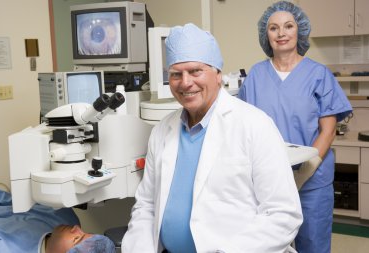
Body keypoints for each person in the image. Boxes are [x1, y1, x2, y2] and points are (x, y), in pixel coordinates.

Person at [122, 23, 303, 253]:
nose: (186, 82)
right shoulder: (162, 130)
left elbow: (283, 214)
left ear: (218, 74)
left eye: (195, 71)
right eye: (176, 74)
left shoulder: (254, 125)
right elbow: (147, 205)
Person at [237, 1, 352, 252]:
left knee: (313, 245)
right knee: (269, 247)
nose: (281, 33)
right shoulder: (255, 76)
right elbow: (242, 128)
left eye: (288, 26)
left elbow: (328, 130)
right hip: (266, 182)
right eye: (274, 28)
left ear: (298, 30)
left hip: (311, 182)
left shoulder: (318, 74)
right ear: (265, 35)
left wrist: (304, 172)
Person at [0, 149, 115, 253]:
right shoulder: (65, 216)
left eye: (76, 239)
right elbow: (4, 199)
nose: (76, 228)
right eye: (85, 232)